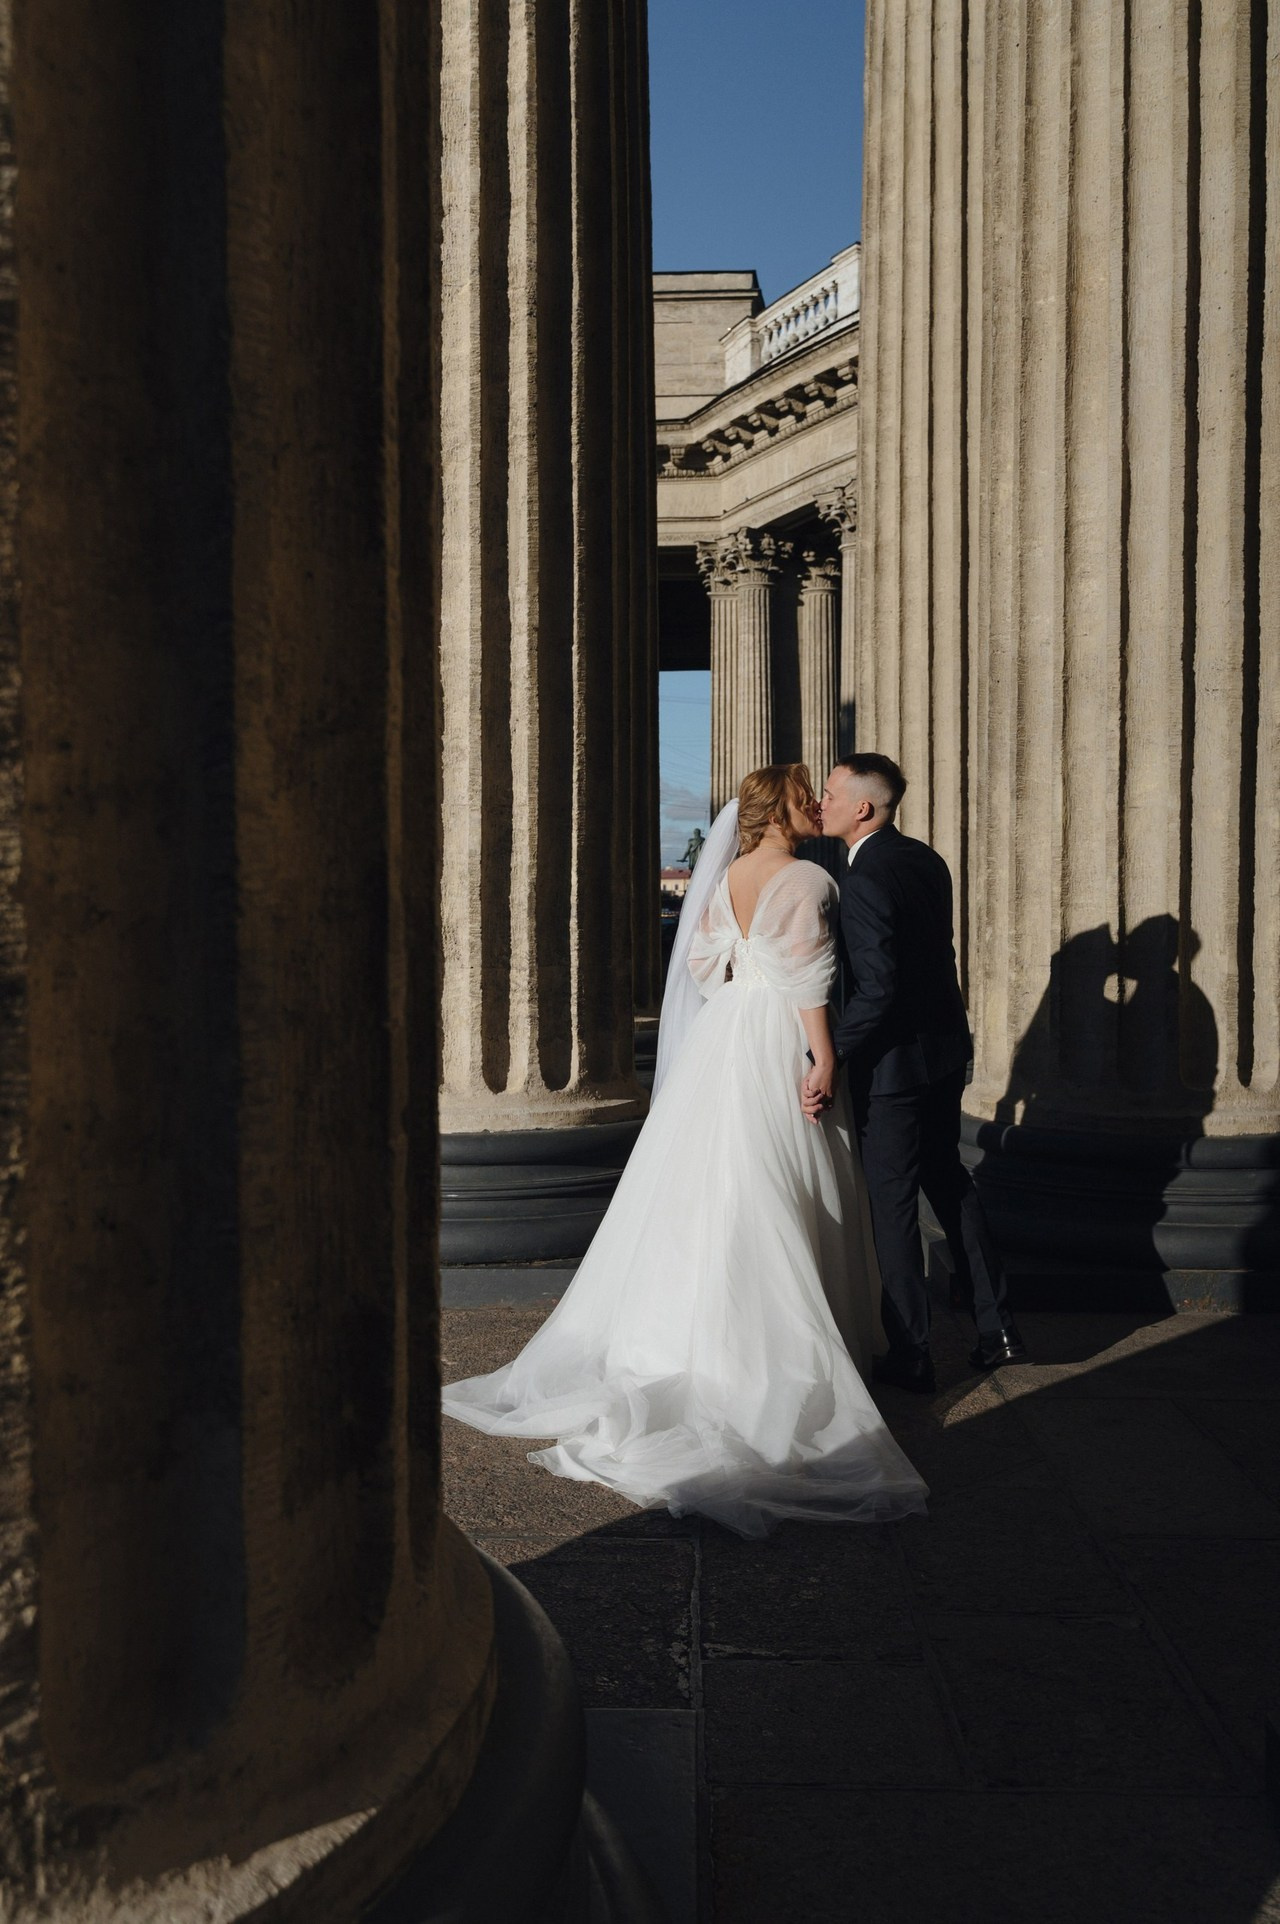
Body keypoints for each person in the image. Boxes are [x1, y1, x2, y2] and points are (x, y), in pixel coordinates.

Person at [443, 764, 927, 1538]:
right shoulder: (807, 879)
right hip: (774, 1038)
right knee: (782, 1183)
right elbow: (809, 981)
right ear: (780, 813)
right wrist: (824, 1059)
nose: (814, 807)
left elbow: (702, 966)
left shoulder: (730, 873)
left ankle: (685, 1330)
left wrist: (747, 973)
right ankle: (776, 1347)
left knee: (705, 1185)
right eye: (806, 798)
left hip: (723, 1034)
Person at [805, 753, 1026, 1393]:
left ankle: (912, 1351)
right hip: (944, 1053)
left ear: (863, 809)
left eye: (830, 793)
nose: (822, 802)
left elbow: (877, 989)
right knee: (951, 1183)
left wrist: (831, 1054)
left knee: (892, 1206)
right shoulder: (926, 860)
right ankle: (999, 1328)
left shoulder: (867, 877)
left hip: (895, 1070)